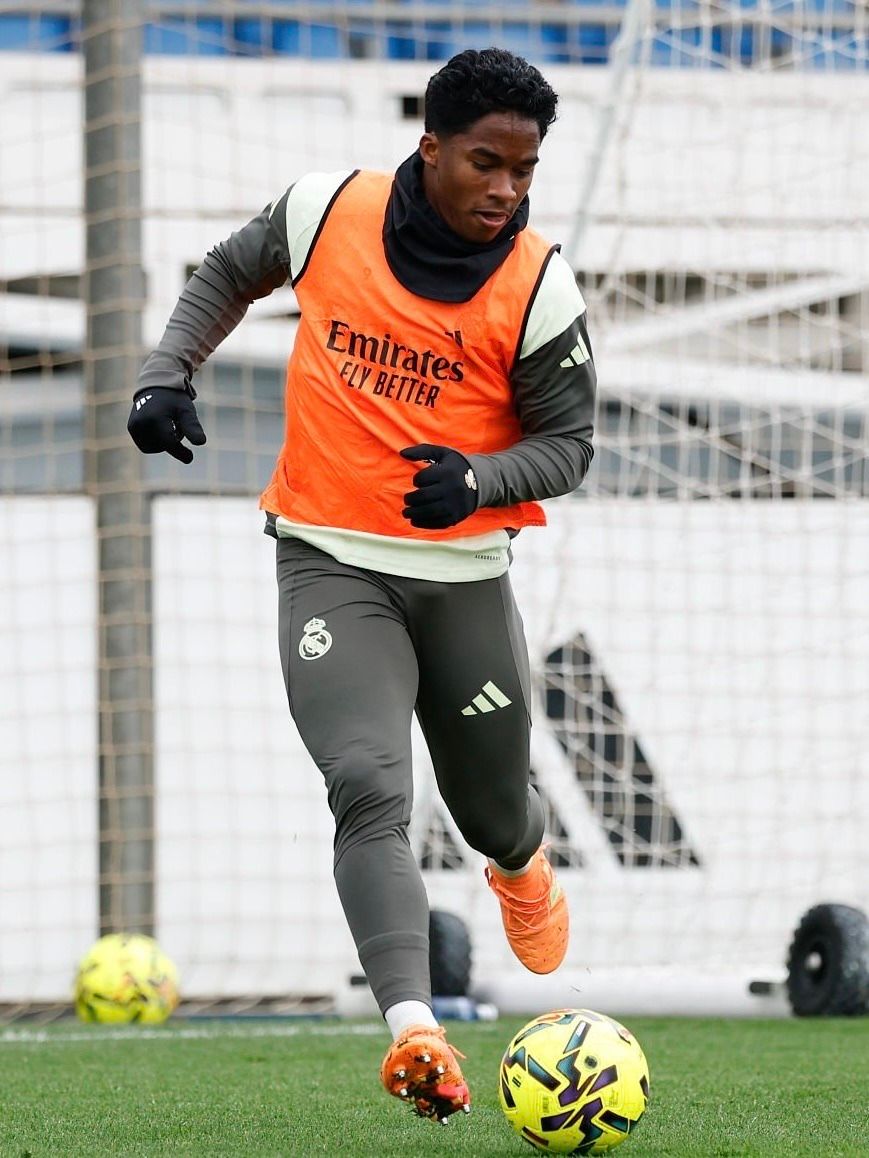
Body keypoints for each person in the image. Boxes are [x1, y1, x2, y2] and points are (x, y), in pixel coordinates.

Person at [128, 46, 596, 1124]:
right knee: (367, 784)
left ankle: (519, 864)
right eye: (485, 163)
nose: (506, 190)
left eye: (524, 170)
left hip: (462, 575)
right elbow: (224, 274)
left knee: (491, 814)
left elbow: (568, 447)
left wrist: (478, 479)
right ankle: (415, 1032)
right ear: (429, 147)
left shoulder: (539, 287)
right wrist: (166, 372)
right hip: (329, 559)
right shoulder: (323, 209)